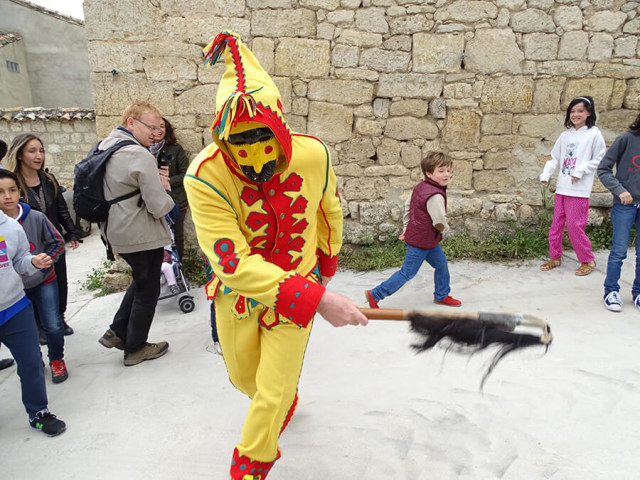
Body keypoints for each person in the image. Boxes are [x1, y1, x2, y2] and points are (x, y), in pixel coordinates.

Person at [184, 31, 367, 480]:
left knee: (270, 392)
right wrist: (319, 301)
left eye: (262, 138)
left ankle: (251, 466)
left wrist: (324, 270)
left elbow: (329, 212)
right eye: (239, 143)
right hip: (240, 296)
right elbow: (233, 265)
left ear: (279, 125)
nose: (253, 157)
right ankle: (285, 397)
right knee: (246, 380)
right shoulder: (204, 176)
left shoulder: (314, 154)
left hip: (300, 285)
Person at [96, 100, 175, 367]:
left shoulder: (105, 145)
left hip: (117, 229)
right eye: (150, 127)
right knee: (148, 289)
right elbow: (158, 205)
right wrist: (167, 191)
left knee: (141, 280)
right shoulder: (138, 154)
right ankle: (136, 347)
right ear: (131, 123)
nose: (155, 132)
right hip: (140, 232)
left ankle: (116, 332)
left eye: (158, 127)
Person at [365, 152, 461, 309]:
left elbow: (408, 207)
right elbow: (439, 222)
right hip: (420, 242)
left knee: (441, 265)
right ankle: (375, 294)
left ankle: (441, 295)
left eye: (448, 170)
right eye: (441, 171)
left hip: (428, 240)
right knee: (407, 273)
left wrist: (406, 228)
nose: (446, 175)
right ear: (429, 173)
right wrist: (444, 231)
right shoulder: (435, 195)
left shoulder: (421, 187)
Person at [0, 207, 66, 436]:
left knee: (31, 363)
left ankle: (38, 412)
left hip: (14, 307)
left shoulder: (9, 226)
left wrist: (33, 262)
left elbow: (18, 260)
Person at [5, 134, 79, 336]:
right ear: (20, 154)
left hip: (52, 239)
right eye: (32, 151)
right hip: (28, 242)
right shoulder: (12, 182)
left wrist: (72, 232)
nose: (38, 156)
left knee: (60, 280)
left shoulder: (48, 179)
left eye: (41, 150)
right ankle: (39, 324)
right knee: (34, 283)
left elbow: (61, 207)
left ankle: (59, 318)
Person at [0, 170, 68, 383]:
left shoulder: (36, 217)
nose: (7, 196)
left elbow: (57, 242)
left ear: (20, 191)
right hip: (16, 290)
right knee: (27, 331)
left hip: (43, 280)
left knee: (54, 324)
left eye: (12, 190)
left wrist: (46, 260)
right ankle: (34, 358)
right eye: (0, 192)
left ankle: (57, 359)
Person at [539, 96, 606, 276]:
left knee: (575, 227)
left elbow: (599, 158)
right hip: (563, 187)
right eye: (573, 111)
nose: (576, 114)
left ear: (589, 113)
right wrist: (546, 174)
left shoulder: (594, 134)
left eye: (580, 111)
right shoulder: (565, 135)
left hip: (578, 190)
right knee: (556, 225)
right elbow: (555, 158)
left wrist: (581, 170)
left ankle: (587, 260)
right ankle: (555, 256)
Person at [597, 111, 640, 312]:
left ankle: (638, 292)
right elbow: (603, 169)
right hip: (625, 205)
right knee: (619, 251)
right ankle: (611, 290)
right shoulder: (626, 139)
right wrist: (620, 190)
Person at [150, 117, 190, 260]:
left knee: (177, 236)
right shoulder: (142, 150)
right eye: (154, 127)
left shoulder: (175, 149)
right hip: (152, 201)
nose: (159, 130)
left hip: (176, 200)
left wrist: (166, 182)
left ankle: (179, 270)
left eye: (162, 126)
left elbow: (186, 173)